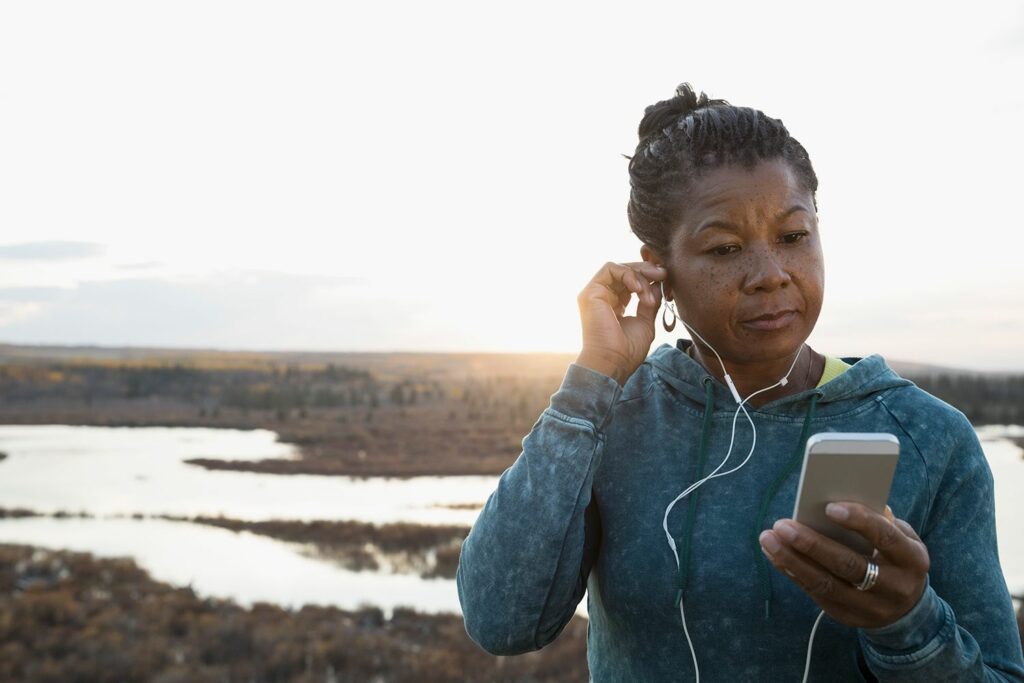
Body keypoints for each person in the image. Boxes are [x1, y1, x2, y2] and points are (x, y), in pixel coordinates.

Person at [455, 82, 1024, 681]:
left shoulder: (927, 437)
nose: (771, 275)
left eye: (794, 237)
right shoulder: (615, 419)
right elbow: (503, 622)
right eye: (725, 248)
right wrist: (592, 382)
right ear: (659, 269)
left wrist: (908, 625)